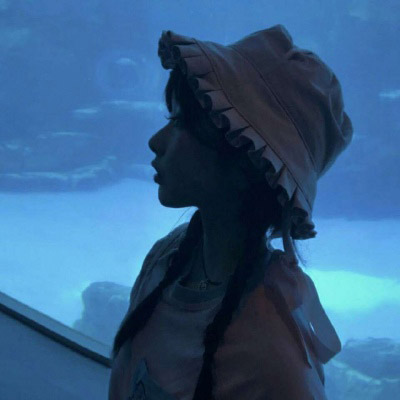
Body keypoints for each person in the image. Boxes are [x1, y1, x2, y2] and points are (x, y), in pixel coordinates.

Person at [108, 24, 353, 400]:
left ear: (247, 159)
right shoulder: (166, 258)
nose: (156, 142)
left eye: (182, 124)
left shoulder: (271, 358)